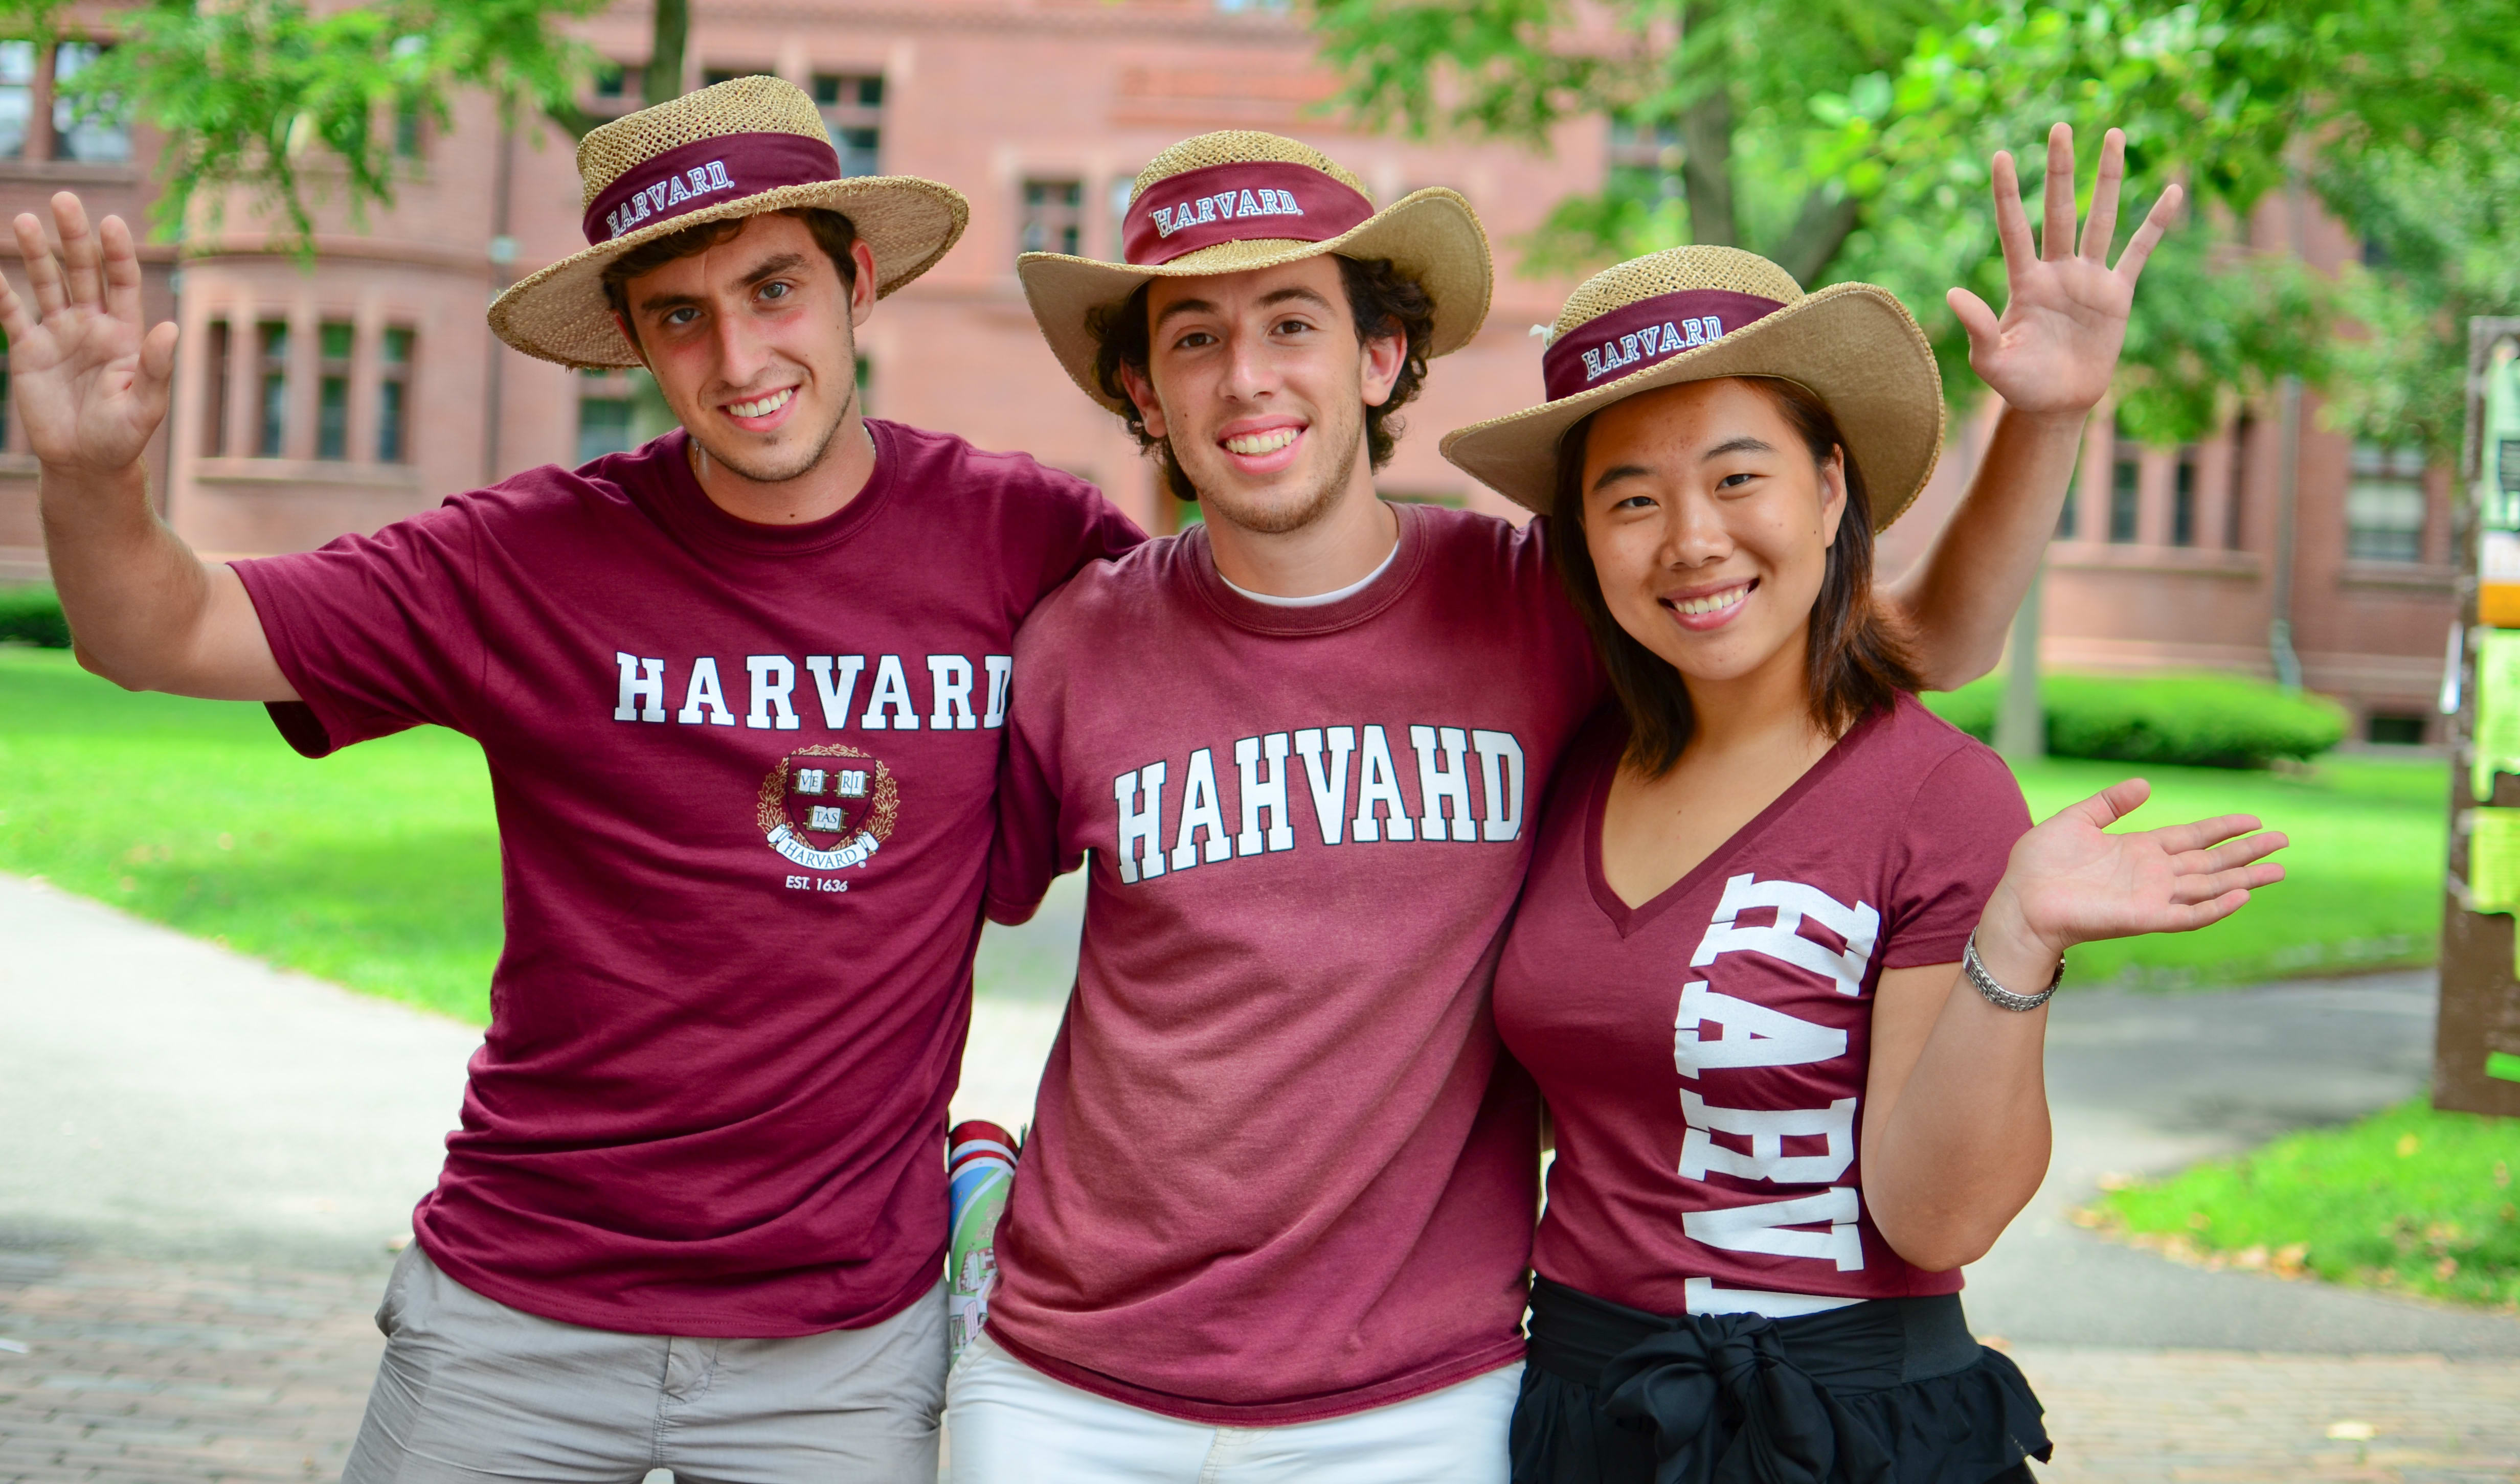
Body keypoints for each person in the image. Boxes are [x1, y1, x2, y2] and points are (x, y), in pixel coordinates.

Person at [951, 124, 2161, 1481]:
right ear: (1142, 388)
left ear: (1381, 356)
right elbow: (901, 928)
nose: (1247, 379)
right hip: (1076, 1379)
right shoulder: (1079, 645)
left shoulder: (1537, 605)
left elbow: (1905, 645)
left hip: (1419, 1393)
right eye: (1191, 341)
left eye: (1294, 321)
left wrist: (2047, 417)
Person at [1, 75, 1140, 1483]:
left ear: (855, 280)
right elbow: (157, 630)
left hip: (838, 1348)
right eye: (680, 315)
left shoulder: (1019, 535)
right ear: (630, 345)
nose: (739, 357)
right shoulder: (527, 560)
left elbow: (1218, 676)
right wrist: (92, 477)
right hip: (516, 1320)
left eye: (775, 289)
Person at [1439, 235, 2287, 1482]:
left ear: (1832, 490)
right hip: (1584, 1413)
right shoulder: (1571, 757)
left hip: (1845, 1432)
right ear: (1580, 538)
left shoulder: (1936, 798)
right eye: (1631, 498)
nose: (1689, 539)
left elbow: (1936, 1217)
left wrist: (2017, 945)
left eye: (1740, 477)